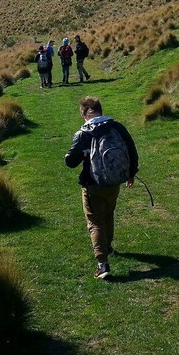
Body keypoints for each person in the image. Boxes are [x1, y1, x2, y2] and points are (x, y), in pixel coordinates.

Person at [64, 97, 139, 280]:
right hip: (114, 181)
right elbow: (131, 150)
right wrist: (130, 174)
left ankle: (102, 263)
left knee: (94, 221)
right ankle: (109, 245)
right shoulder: (117, 127)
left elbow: (71, 162)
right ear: (100, 110)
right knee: (108, 213)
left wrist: (76, 154)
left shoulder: (83, 134)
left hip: (92, 184)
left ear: (84, 114)